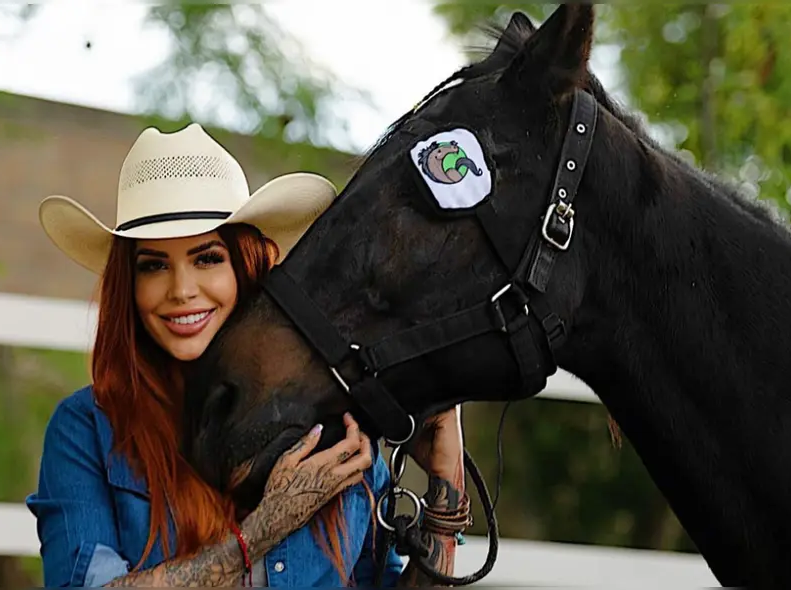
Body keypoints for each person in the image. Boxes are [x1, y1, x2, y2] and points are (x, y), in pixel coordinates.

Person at [26, 123, 468, 587]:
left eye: (207, 258)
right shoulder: (88, 429)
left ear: (246, 267)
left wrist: (445, 486)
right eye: (154, 265)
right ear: (129, 288)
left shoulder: (335, 426)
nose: (181, 290)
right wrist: (264, 529)